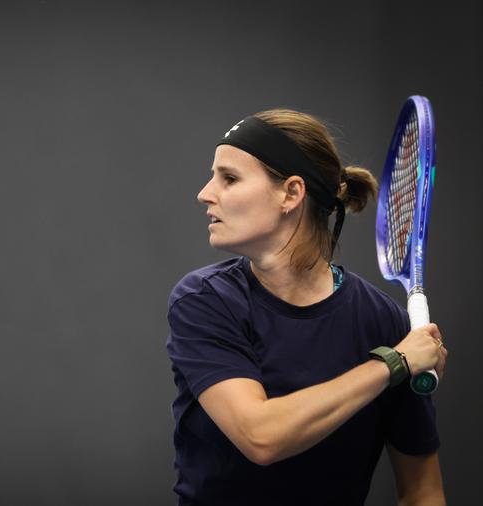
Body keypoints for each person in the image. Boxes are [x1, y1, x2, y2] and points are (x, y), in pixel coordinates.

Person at [165, 109, 448, 505]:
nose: (205, 193)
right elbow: (260, 436)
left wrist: (402, 355)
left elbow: (423, 491)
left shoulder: (385, 322)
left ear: (291, 193)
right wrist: (393, 364)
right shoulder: (205, 300)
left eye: (228, 178)